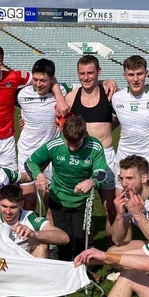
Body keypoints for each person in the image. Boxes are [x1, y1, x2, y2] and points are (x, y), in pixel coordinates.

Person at [26, 116, 108, 261]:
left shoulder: (94, 146)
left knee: (80, 237)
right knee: (65, 238)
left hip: (81, 201)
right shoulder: (54, 145)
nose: (72, 148)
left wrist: (91, 181)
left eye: (76, 145)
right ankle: (63, 265)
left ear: (84, 135)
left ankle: (80, 267)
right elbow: (30, 162)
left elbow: (101, 174)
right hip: (59, 199)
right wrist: (39, 175)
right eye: (68, 143)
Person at [65, 56, 117, 234]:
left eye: (90, 73)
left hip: (106, 155)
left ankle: (113, 245)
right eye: (82, 73)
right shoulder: (71, 97)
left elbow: (120, 118)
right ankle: (89, 244)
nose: (86, 77)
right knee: (83, 208)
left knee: (111, 206)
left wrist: (106, 130)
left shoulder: (109, 94)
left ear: (99, 72)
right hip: (82, 157)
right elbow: (63, 126)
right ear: (77, 73)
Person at [16, 58, 71, 210]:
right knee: (28, 201)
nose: (38, 84)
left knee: (51, 202)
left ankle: (49, 226)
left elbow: (87, 86)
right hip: (27, 152)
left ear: (52, 79)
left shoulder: (63, 90)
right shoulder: (22, 94)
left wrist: (109, 82)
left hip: (50, 155)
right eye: (35, 79)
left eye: (43, 80)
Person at [111, 56, 149, 183]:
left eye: (139, 74)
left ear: (146, 73)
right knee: (121, 196)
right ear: (124, 76)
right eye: (131, 74)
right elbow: (113, 123)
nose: (135, 79)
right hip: (123, 160)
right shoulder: (117, 98)